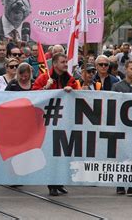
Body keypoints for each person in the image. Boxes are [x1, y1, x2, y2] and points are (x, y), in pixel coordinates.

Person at [32, 53, 77, 196]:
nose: (65, 64)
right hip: (48, 122)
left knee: (62, 152)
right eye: (63, 62)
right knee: (51, 153)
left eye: (66, 62)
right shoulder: (44, 78)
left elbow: (79, 94)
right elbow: (33, 96)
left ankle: (59, 181)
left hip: (65, 121)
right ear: (55, 64)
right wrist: (46, 87)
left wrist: (72, 90)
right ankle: (51, 184)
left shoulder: (70, 79)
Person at [111, 59, 132, 197]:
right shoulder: (117, 86)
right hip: (120, 126)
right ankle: (120, 185)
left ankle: (131, 185)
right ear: (125, 69)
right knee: (121, 155)